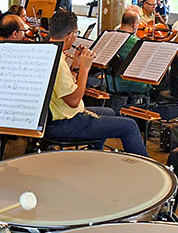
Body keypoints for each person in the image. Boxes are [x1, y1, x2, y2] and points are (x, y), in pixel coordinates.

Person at [43, 10, 148, 156]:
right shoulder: (58, 61)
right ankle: (146, 172)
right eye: (76, 33)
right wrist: (85, 69)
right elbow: (73, 101)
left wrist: (75, 65)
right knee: (129, 126)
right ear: (70, 36)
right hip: (64, 122)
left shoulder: (48, 51)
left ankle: (94, 155)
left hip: (59, 116)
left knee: (110, 112)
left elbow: (67, 88)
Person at [106, 10, 150, 97]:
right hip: (128, 83)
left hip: (109, 81)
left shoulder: (109, 37)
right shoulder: (136, 42)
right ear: (134, 25)